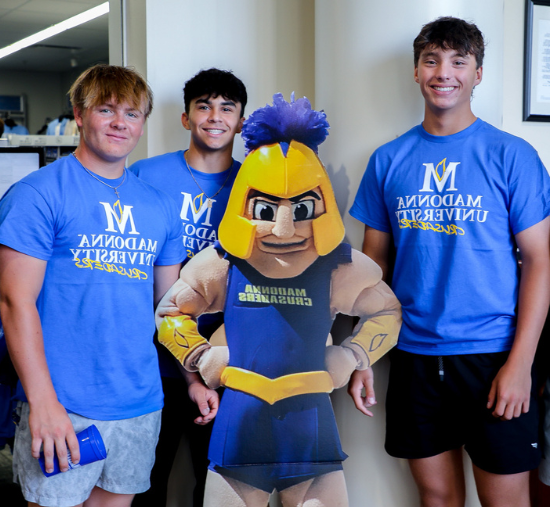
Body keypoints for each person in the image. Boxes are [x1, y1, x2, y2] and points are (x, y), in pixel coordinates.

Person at [155, 93, 401, 507]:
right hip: (239, 431)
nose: (284, 228)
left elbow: (388, 313)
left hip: (312, 435)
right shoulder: (222, 263)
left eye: (302, 207)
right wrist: (201, 357)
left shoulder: (338, 266)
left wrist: (354, 355)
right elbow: (170, 313)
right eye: (267, 209)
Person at [348, 16, 550, 507]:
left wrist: (521, 364)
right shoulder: (388, 159)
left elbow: (541, 262)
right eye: (432, 60)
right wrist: (361, 353)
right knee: (438, 499)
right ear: (416, 72)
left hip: (494, 355)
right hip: (415, 356)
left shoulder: (512, 155)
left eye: (459, 61)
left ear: (478, 74)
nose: (444, 72)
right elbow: (372, 270)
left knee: (506, 502)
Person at [0, 64, 189, 507]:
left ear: (143, 123)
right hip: (64, 402)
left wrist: (192, 376)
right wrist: (42, 401)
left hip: (139, 402)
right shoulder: (38, 194)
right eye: (106, 109)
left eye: (132, 113)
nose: (120, 122)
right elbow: (14, 303)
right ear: (79, 115)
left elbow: (171, 307)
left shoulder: (158, 205)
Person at [129, 68, 247, 507]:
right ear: (185, 117)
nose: (214, 117)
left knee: (217, 485)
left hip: (228, 357)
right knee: (143, 481)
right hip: (152, 359)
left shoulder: (256, 183)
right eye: (204, 106)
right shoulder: (145, 174)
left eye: (227, 108)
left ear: (240, 122)